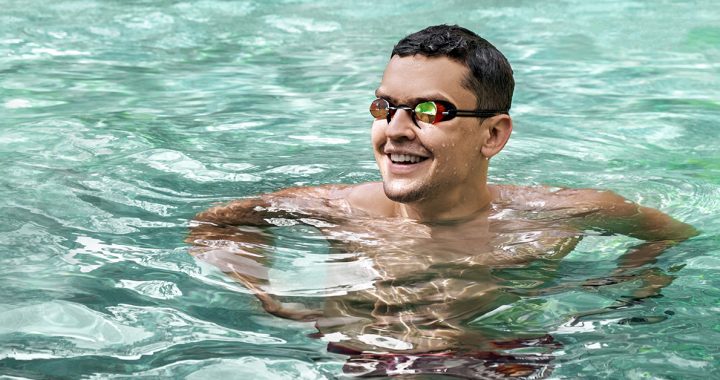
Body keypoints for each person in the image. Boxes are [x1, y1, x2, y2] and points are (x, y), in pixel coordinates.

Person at [187, 25, 696, 378]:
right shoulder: (336, 210)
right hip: (364, 361)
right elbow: (216, 224)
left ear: (493, 134)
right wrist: (266, 293)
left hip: (506, 360)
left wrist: (621, 294)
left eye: (431, 111)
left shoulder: (562, 216)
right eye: (385, 106)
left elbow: (672, 239)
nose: (396, 129)